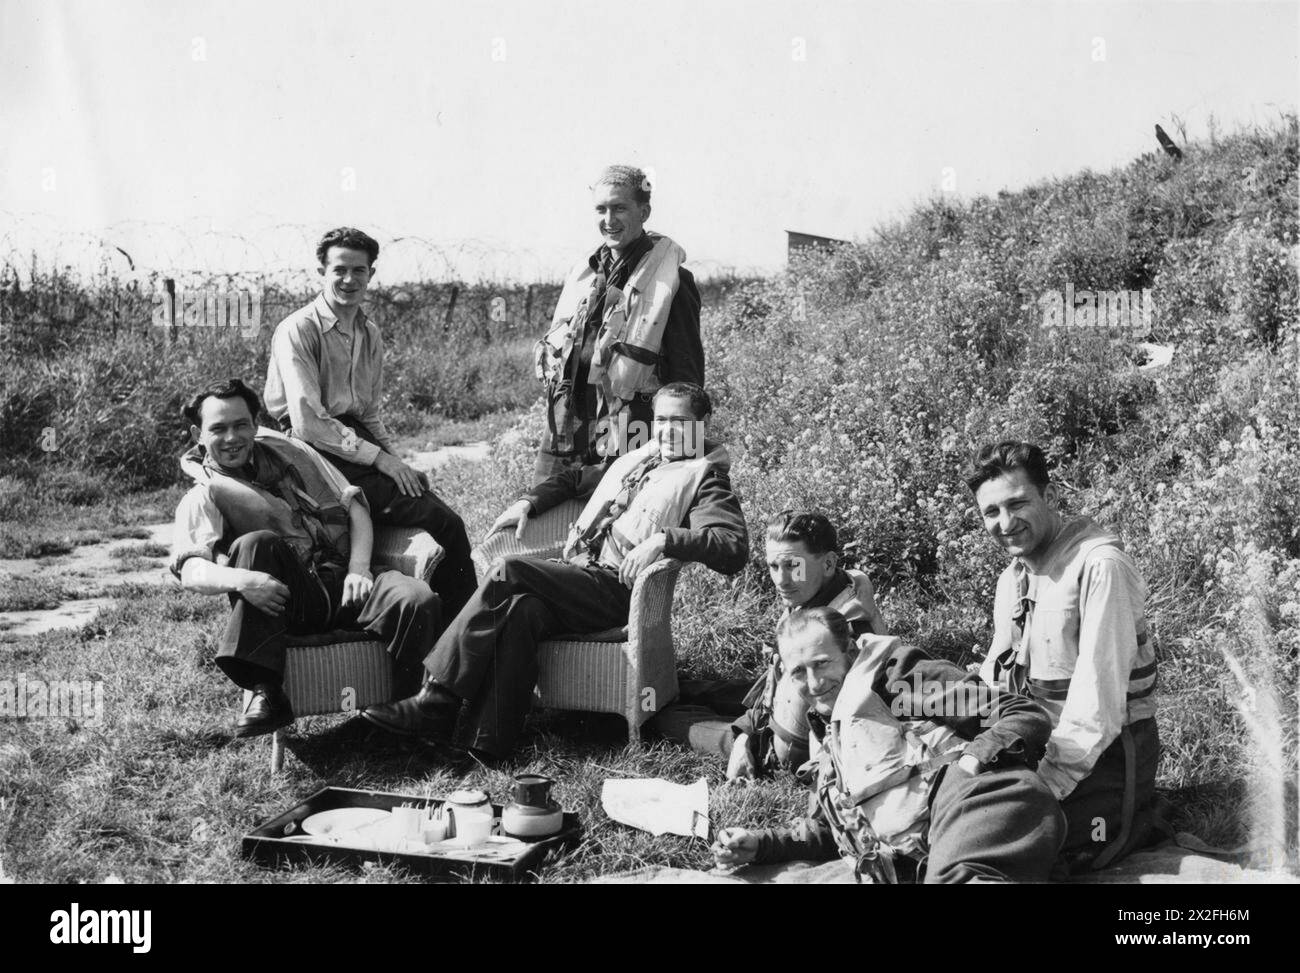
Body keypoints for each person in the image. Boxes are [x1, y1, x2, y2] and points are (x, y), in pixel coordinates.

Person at [360, 382, 748, 759]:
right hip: (580, 576)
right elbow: (575, 479)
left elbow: (732, 548)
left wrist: (665, 539)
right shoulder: (642, 458)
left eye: (679, 422)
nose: (667, 430)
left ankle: (438, 699)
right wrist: (529, 502)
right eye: (661, 420)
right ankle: (485, 743)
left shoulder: (707, 477)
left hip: (617, 591)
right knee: (522, 609)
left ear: (703, 424)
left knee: (510, 571)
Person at [712, 608, 1065, 883]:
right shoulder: (829, 732)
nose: (814, 682)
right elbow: (835, 830)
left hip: (983, 800)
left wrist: (971, 764)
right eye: (799, 673)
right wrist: (761, 843)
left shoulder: (896, 681)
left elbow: (1019, 713)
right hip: (934, 849)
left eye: (822, 664)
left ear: (849, 651)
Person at [169, 379, 440, 737]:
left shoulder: (292, 453)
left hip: (346, 581)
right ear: (197, 434)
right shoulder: (203, 493)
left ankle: (407, 716)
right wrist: (243, 580)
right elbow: (190, 569)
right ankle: (266, 692)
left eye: (240, 425)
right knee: (256, 544)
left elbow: (354, 505)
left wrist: (359, 568)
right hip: (289, 600)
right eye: (218, 429)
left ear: (255, 423)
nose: (231, 437)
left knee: (416, 600)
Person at [263, 226, 477, 622]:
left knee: (436, 512)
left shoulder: (369, 332)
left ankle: (458, 628)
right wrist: (379, 460)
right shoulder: (299, 329)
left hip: (351, 437)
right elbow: (309, 421)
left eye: (358, 271)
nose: (349, 280)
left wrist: (397, 462)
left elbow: (368, 413)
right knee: (442, 521)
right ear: (321, 272)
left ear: (371, 275)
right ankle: (462, 632)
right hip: (308, 444)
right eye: (339, 270)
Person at [967, 440, 1159, 872]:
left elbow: (1099, 703)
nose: (1005, 523)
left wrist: (1046, 785)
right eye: (991, 513)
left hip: (1105, 758)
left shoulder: (1100, 566)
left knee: (1012, 850)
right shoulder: (1013, 577)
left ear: (1050, 497)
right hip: (1041, 745)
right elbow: (996, 682)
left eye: (1018, 504)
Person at [655, 511, 888, 775]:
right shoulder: (834, 588)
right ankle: (676, 692)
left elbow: (831, 722)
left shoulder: (845, 632)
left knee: (665, 717)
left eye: (792, 566)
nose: (780, 580)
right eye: (774, 566)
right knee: (693, 689)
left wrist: (745, 736)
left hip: (781, 745)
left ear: (828, 564)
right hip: (783, 701)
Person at [533, 164, 703, 483]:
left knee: (618, 524)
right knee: (542, 517)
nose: (609, 220)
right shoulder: (586, 275)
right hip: (568, 425)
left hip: (631, 431)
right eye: (601, 209)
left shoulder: (674, 282)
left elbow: (688, 380)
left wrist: (686, 470)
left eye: (620, 208)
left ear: (644, 211)